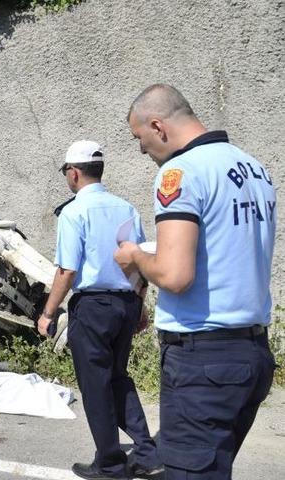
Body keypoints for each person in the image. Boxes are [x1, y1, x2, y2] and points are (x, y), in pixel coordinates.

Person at [115, 84, 276, 479]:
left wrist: (135, 255)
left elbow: (175, 275)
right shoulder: (252, 167)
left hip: (202, 361)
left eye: (140, 138)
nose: (141, 150)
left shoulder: (179, 172)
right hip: (251, 352)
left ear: (158, 126)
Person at [37, 141, 160, 480]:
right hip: (125, 303)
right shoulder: (127, 209)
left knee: (96, 385)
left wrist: (48, 313)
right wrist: (141, 307)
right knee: (118, 379)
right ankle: (147, 454)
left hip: (92, 308)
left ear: (73, 173)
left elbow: (67, 271)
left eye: (66, 173)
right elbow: (142, 261)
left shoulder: (75, 212)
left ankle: (109, 464)